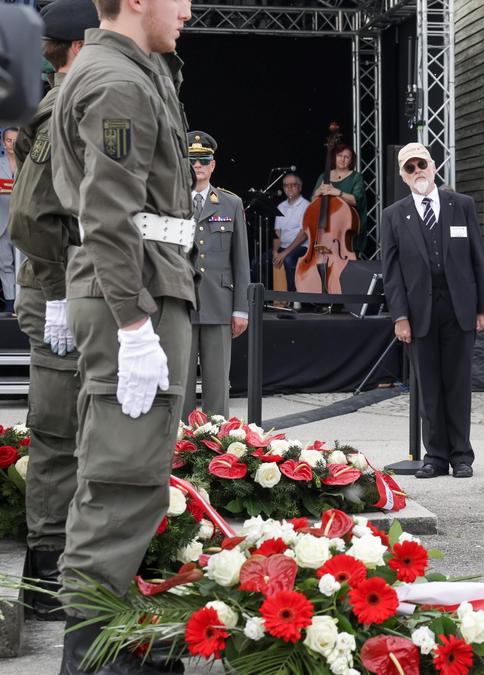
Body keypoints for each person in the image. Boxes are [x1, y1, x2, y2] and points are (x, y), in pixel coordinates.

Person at [50, 0, 195, 670]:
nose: (190, 9)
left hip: (138, 282)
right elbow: (110, 216)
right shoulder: (118, 82)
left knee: (127, 473)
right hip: (132, 294)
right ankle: (92, 657)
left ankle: (115, 644)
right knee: (120, 482)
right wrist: (135, 325)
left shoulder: (134, 69)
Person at [7, 0, 99, 621]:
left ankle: (78, 561)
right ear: (74, 46)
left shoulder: (81, 97)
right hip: (60, 295)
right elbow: (34, 221)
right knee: (59, 430)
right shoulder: (59, 108)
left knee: (89, 433)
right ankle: (46, 569)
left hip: (85, 291)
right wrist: (66, 296)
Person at [380, 143, 484, 480]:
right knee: (427, 385)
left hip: (459, 307)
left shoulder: (462, 205)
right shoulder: (394, 215)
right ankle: (435, 456)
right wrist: (400, 316)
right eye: (410, 168)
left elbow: (477, 257)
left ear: (434, 165)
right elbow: (392, 271)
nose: (418, 172)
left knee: (458, 383)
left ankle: (462, 456)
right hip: (419, 311)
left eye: (422, 165)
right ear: (402, 175)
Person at [183, 131, 249, 418]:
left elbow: (241, 259)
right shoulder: (168, 201)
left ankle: (216, 446)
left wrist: (241, 309)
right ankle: (178, 444)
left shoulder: (230, 203)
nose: (198, 165)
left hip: (218, 302)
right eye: (192, 160)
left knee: (218, 383)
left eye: (204, 160)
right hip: (179, 301)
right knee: (179, 383)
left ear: (213, 165)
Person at [272, 172, 309, 291]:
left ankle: (293, 300)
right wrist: (275, 251)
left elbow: (303, 235)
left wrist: (284, 253)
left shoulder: (306, 206)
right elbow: (277, 233)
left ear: (300, 187)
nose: (289, 188)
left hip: (301, 247)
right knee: (259, 262)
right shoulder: (280, 206)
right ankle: (263, 299)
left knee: (288, 260)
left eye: (293, 185)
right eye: (286, 185)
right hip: (283, 248)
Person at [313, 143, 365, 215]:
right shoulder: (324, 176)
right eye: (339, 155)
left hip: (346, 220)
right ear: (334, 157)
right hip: (327, 216)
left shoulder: (356, 177)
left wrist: (338, 193)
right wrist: (317, 192)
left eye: (346, 157)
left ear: (351, 161)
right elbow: (313, 201)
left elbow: (357, 201)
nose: (342, 159)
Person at [0, 127, 17, 313]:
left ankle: (25, 301)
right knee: (5, 265)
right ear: (3, 143)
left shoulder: (27, 163)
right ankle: (11, 303)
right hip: (3, 220)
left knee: (23, 264)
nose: (12, 144)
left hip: (22, 220)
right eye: (9, 140)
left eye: (15, 140)